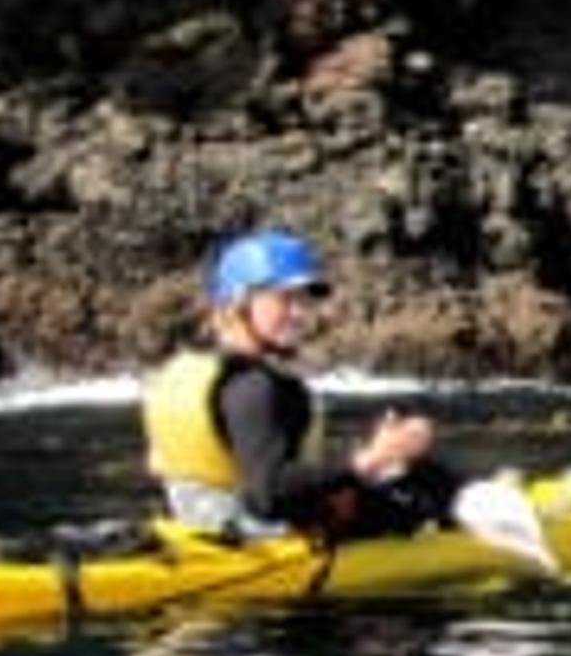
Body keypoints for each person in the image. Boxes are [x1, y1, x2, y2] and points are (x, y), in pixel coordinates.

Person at [143, 227, 484, 545]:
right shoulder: (254, 387)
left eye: (304, 301)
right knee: (417, 478)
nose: (299, 313)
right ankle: (484, 521)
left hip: (200, 529)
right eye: (284, 300)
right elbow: (268, 496)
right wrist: (368, 461)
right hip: (257, 541)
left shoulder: (192, 369)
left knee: (395, 473)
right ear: (241, 303)